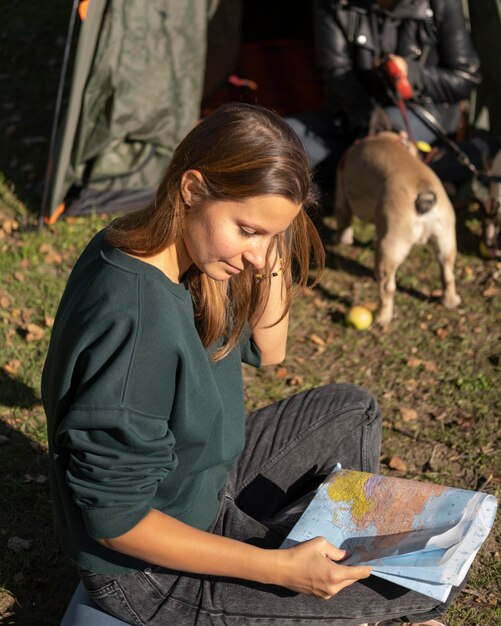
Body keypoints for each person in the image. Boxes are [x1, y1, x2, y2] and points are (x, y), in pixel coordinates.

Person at [43, 102, 457, 625]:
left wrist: (270, 231)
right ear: (192, 189)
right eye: (248, 230)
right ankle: (286, 569)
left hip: (200, 484)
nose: (260, 259)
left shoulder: (174, 250)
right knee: (419, 590)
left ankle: (295, 559)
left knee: (352, 410)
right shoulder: (136, 320)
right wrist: (278, 569)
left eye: (272, 234)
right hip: (143, 575)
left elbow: (271, 348)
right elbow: (114, 521)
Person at [287, 0, 481, 196]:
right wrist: (366, 120)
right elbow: (335, 71)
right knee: (277, 137)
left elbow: (465, 78)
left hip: (424, 112)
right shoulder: (335, 4)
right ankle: (347, 177)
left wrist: (412, 74)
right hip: (353, 110)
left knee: (371, 149)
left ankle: (341, 180)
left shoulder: (440, 4)